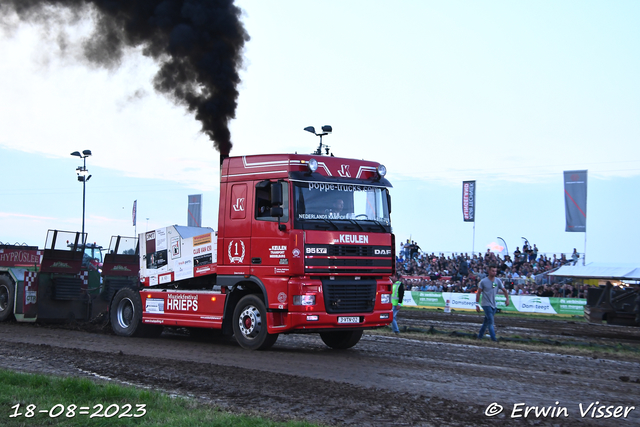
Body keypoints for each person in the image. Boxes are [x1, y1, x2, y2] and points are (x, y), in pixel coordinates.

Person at [475, 264, 510, 341]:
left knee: (486, 322)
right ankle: (493, 339)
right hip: (486, 304)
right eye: (493, 271)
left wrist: (507, 299)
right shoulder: (483, 281)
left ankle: (479, 337)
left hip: (493, 305)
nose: (494, 272)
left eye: (495, 271)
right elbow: (478, 293)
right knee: (491, 322)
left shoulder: (497, 281)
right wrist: (477, 304)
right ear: (489, 271)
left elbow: (504, 290)